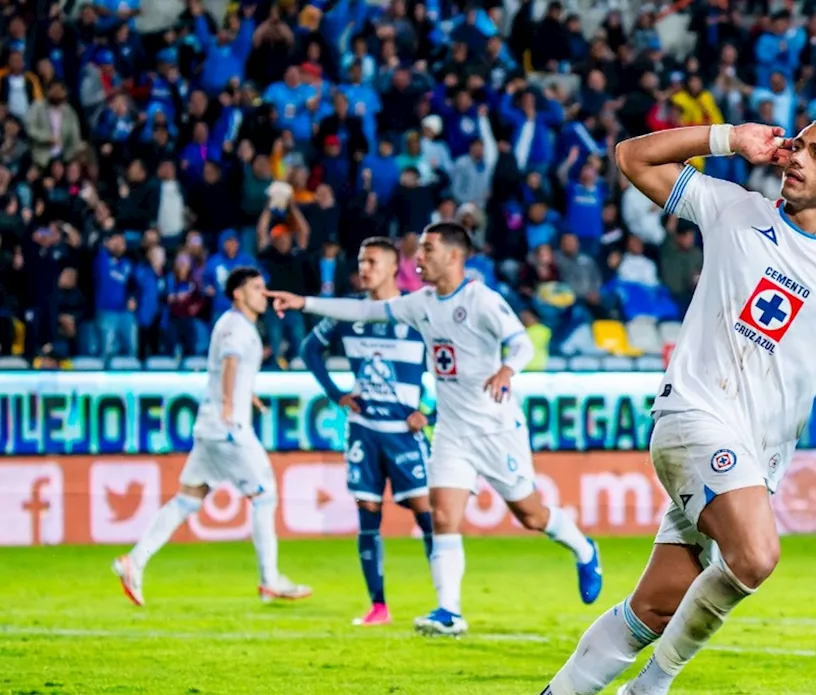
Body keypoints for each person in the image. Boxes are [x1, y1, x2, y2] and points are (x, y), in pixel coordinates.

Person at [489, 119, 816, 695]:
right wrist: (728, 137)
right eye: (797, 146)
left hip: (756, 455)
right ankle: (647, 692)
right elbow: (631, 156)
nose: (798, 161)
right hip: (693, 415)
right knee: (755, 555)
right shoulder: (733, 208)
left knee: (656, 608)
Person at [268, 223, 603, 637]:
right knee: (443, 516)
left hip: (495, 429)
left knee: (531, 515)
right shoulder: (420, 303)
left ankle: (585, 549)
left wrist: (505, 370)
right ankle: (450, 611)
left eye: (427, 249)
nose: (418, 258)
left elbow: (522, 344)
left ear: (454, 256)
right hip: (451, 432)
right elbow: (365, 310)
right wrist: (304, 303)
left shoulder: (481, 299)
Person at [112, 268, 311, 605]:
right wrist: (231, 405)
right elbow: (230, 363)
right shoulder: (236, 326)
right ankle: (270, 579)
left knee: (189, 497)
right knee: (265, 495)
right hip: (227, 428)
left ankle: (135, 561)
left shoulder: (236, 324)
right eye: (257, 288)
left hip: (212, 427)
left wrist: (248, 396)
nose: (264, 293)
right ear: (238, 293)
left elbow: (229, 370)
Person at [298, 237, 435, 626]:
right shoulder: (348, 312)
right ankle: (378, 606)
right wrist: (336, 394)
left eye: (372, 261)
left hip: (403, 433)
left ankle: (446, 601)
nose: (364, 268)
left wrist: (431, 412)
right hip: (363, 430)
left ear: (394, 267)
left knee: (427, 515)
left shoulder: (415, 312)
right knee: (368, 513)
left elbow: (452, 363)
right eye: (360, 260)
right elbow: (310, 350)